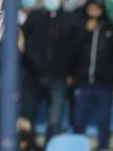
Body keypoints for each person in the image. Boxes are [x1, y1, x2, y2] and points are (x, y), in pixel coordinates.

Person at [20, 0, 82, 142]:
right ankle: (28, 149)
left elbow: (75, 50)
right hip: (32, 75)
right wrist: (29, 61)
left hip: (59, 76)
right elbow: (23, 39)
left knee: (55, 119)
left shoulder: (70, 19)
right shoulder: (35, 16)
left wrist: (71, 72)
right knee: (27, 116)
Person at [72, 0, 113, 151]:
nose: (94, 11)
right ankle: (77, 150)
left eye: (97, 8)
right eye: (91, 8)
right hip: (84, 82)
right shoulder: (80, 27)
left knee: (104, 120)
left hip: (104, 83)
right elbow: (72, 52)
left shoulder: (111, 29)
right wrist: (85, 32)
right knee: (79, 118)